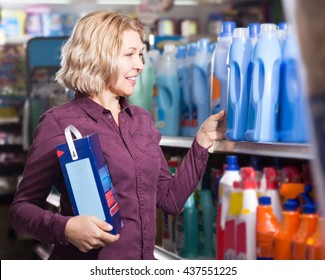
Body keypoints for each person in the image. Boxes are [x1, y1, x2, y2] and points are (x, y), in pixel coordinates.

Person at [9, 11, 226, 260]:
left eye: (141, 55)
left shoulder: (142, 120)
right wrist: (66, 229)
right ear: (99, 57)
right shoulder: (60, 123)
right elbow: (21, 211)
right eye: (130, 54)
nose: (140, 65)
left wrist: (202, 142)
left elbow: (170, 200)